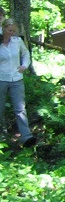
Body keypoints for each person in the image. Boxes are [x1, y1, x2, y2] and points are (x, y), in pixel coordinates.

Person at [0, 18, 36, 147]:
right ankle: (2, 135)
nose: (12, 33)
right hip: (1, 79)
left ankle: (26, 137)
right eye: (10, 30)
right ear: (3, 29)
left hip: (16, 79)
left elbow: (26, 54)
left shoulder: (17, 41)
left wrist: (24, 65)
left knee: (20, 109)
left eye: (14, 31)